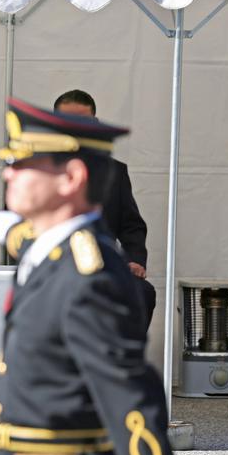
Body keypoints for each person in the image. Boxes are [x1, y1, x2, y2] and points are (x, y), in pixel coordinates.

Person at [0, 98, 210, 455]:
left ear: (71, 178)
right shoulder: (54, 248)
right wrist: (18, 233)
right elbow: (44, 243)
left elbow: (132, 403)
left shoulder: (89, 278)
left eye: (23, 163)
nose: (8, 173)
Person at [54, 89, 156, 330]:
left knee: (143, 293)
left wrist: (133, 261)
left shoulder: (115, 172)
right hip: (52, 270)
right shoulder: (36, 171)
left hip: (105, 270)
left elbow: (132, 227)